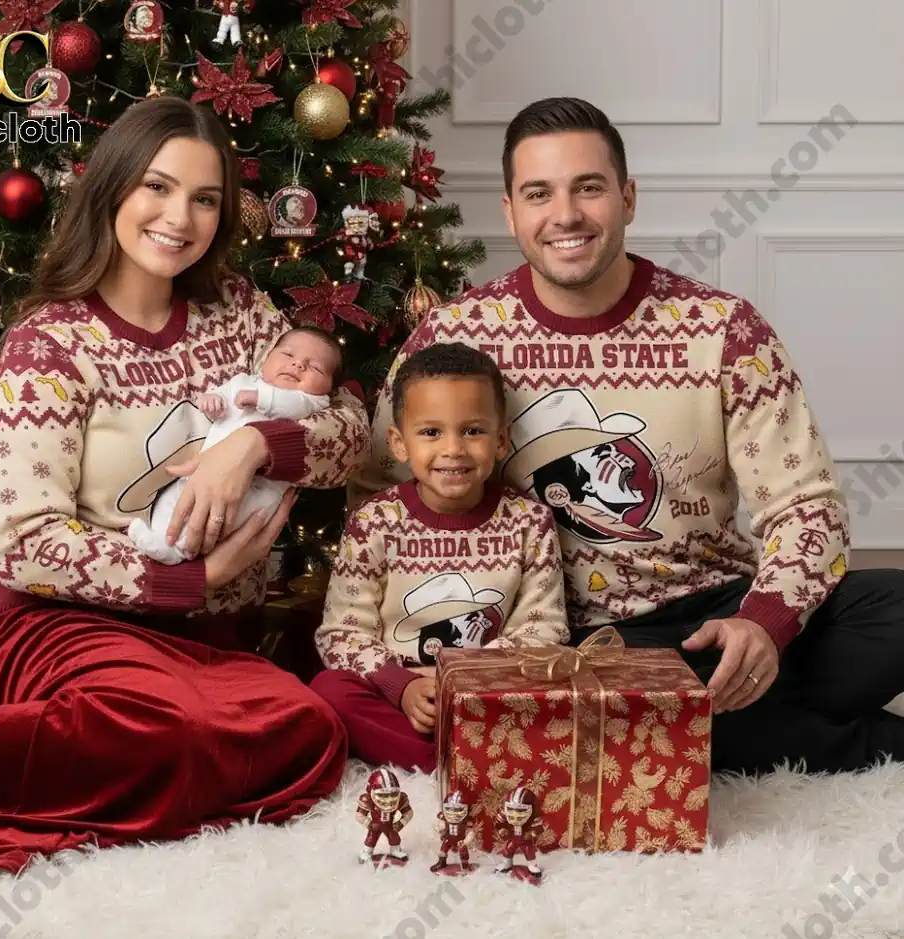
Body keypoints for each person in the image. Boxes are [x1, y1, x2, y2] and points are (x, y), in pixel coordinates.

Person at [352, 96, 904, 777]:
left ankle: (688, 722)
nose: (566, 215)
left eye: (589, 187)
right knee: (615, 704)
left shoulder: (723, 329)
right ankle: (830, 741)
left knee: (892, 611)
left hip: (707, 616)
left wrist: (763, 623)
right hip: (544, 642)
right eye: (539, 193)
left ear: (628, 196)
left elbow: (807, 506)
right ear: (510, 212)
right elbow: (379, 494)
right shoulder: (453, 336)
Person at [0, 95, 370, 876]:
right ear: (115, 187)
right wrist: (193, 576)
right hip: (55, 631)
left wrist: (255, 441)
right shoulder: (49, 343)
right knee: (168, 729)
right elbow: (25, 547)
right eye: (157, 187)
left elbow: (350, 436)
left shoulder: (243, 316)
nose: (178, 218)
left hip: (202, 642)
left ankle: (142, 758)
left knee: (308, 729)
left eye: (204, 198)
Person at [312, 343, 570, 775]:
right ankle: (465, 762)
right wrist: (403, 686)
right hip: (400, 691)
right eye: (431, 432)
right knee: (329, 690)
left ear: (501, 439)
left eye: (472, 431)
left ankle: (469, 753)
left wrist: (467, 680)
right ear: (399, 443)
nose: (453, 449)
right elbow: (342, 633)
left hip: (490, 691)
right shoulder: (375, 521)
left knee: (557, 692)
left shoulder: (529, 521)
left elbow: (545, 627)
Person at [129, 326, 343, 565]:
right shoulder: (242, 381)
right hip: (204, 470)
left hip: (259, 488)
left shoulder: (313, 400)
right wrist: (213, 401)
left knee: (235, 514)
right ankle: (163, 537)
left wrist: (261, 399)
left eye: (314, 367)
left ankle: (183, 551)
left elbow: (293, 406)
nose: (298, 365)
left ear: (329, 386)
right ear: (266, 359)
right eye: (288, 355)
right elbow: (219, 398)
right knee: (177, 497)